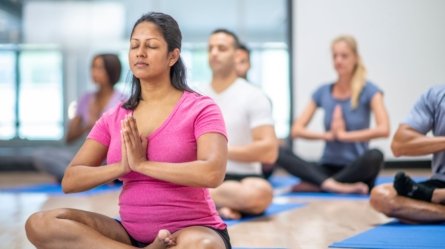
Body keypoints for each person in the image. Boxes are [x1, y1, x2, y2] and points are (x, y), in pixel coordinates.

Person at [25, 12, 231, 249]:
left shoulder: (201, 108)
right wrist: (121, 167)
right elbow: (70, 180)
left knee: (202, 245)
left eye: (151, 46)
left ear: (173, 56)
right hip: (129, 233)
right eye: (134, 46)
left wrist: (142, 165)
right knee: (40, 223)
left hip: (191, 229)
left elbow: (212, 173)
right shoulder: (115, 116)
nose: (140, 52)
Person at [274, 35, 389, 194]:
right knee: (277, 150)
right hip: (326, 168)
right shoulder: (323, 92)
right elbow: (296, 130)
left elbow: (384, 129)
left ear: (355, 58)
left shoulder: (370, 90)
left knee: (376, 156)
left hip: (356, 168)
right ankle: (334, 185)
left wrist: (344, 136)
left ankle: (319, 185)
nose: (338, 60)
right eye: (335, 56)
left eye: (344, 56)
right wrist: (328, 136)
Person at [199, 29, 278, 220]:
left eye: (222, 48)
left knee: (261, 193)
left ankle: (204, 202)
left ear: (238, 55)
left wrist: (221, 152)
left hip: (244, 179)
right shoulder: (195, 94)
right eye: (211, 48)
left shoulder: (254, 95)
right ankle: (222, 205)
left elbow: (269, 151)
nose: (214, 53)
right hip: (203, 177)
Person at [32, 53, 125, 183]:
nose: (94, 72)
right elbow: (69, 138)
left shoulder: (122, 100)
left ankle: (83, 176)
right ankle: (88, 176)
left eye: (99, 68)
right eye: (93, 67)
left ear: (111, 71)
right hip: (85, 155)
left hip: (109, 157)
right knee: (41, 155)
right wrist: (88, 126)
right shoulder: (86, 99)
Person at [370, 85, 445, 223]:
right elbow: (399, 145)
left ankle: (434, 196)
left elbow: (383, 130)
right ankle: (435, 196)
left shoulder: (370, 91)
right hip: (441, 182)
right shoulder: (436, 95)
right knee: (380, 196)